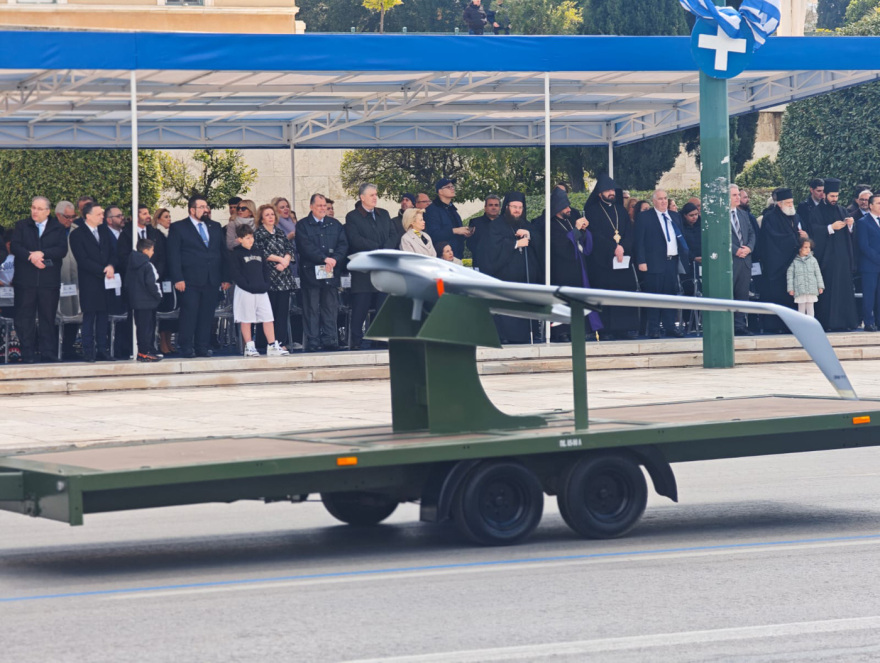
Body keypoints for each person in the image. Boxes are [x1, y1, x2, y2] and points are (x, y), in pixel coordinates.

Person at [167, 195, 231, 358]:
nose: (205, 209)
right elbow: (173, 255)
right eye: (201, 207)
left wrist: (226, 277)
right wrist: (177, 278)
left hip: (211, 278)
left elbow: (222, 252)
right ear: (192, 210)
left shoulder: (215, 226)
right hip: (189, 279)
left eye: (206, 207)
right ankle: (186, 347)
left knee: (206, 314)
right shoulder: (179, 227)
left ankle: (202, 346)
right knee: (189, 313)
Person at [10, 196, 68, 363]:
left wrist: (42, 254)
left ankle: (47, 352)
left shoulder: (57, 227)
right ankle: (27, 353)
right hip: (25, 281)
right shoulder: (22, 225)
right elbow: (15, 246)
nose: (35, 211)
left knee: (48, 318)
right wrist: (31, 257)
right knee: (24, 318)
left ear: (48, 211)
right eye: (33, 207)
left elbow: (61, 249)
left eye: (39, 209)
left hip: (48, 282)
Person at [582, 173, 640, 339]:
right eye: (607, 190)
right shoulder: (592, 211)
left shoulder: (620, 210)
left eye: (613, 190)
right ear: (599, 193)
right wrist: (613, 248)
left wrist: (623, 247)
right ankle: (606, 330)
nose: (611, 193)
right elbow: (594, 235)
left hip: (622, 261)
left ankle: (625, 328)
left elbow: (629, 233)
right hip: (603, 262)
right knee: (605, 294)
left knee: (624, 294)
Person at [345, 183, 398, 350]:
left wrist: (385, 249)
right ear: (362, 197)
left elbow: (393, 234)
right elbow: (355, 239)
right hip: (364, 270)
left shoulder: (383, 214)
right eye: (371, 195)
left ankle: (380, 339)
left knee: (382, 306)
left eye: (376, 194)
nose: (375, 197)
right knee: (361, 305)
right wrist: (377, 248)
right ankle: (356, 341)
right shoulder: (353, 216)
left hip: (382, 267)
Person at [482, 192, 538, 344]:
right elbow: (493, 249)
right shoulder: (496, 225)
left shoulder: (526, 225)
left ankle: (526, 335)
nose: (517, 210)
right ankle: (506, 336)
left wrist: (529, 235)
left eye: (520, 207)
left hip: (525, 276)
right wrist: (514, 244)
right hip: (505, 276)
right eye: (514, 207)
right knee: (507, 310)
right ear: (507, 207)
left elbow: (541, 244)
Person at [548, 188, 602, 341]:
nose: (568, 209)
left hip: (578, 268)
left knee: (579, 300)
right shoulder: (551, 225)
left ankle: (582, 329)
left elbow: (581, 242)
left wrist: (583, 231)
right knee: (564, 302)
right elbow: (561, 245)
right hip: (562, 270)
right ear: (557, 207)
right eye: (565, 207)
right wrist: (576, 230)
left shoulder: (570, 221)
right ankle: (563, 332)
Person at [633, 189, 689, 338]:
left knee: (670, 295)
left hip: (672, 262)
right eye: (660, 199)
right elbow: (639, 242)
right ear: (654, 201)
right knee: (654, 295)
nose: (664, 201)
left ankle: (670, 326)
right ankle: (654, 328)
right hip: (653, 263)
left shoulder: (674, 216)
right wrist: (641, 261)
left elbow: (681, 238)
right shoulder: (645, 217)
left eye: (665, 198)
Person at [297, 194, 348, 353]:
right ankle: (313, 341)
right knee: (311, 308)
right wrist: (324, 258)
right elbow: (305, 247)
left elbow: (343, 244)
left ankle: (330, 339)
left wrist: (334, 259)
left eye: (324, 205)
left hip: (330, 272)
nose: (322, 208)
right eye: (319, 205)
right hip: (311, 273)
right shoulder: (303, 225)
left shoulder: (335, 224)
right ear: (311, 206)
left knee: (330, 307)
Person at [229, 225, 288, 358]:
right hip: (245, 291)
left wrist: (266, 284)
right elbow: (236, 274)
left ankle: (272, 345)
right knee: (246, 318)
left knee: (267, 317)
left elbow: (265, 270)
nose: (251, 240)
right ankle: (249, 346)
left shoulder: (259, 251)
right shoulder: (236, 253)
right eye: (247, 238)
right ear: (240, 239)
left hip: (261, 290)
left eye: (252, 237)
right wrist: (248, 286)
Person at [807, 177, 859, 331]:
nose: (834, 199)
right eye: (832, 196)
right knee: (829, 291)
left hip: (842, 259)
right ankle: (829, 323)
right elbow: (814, 230)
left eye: (836, 196)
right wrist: (830, 228)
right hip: (827, 260)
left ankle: (846, 322)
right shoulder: (816, 211)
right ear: (825, 195)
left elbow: (850, 235)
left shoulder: (842, 210)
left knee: (844, 290)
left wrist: (850, 226)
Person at [756, 187, 808, 333]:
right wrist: (795, 240)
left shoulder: (795, 216)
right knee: (777, 294)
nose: (791, 205)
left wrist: (804, 236)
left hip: (794, 263)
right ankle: (775, 326)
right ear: (779, 204)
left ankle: (791, 325)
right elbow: (774, 239)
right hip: (776, 264)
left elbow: (800, 232)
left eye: (792, 202)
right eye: (788, 202)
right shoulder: (770, 218)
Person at [69, 202, 115, 362]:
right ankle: (89, 351)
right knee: (89, 316)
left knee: (104, 316)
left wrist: (110, 266)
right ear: (88, 216)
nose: (102, 216)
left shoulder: (103, 231)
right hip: (90, 281)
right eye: (99, 214)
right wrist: (102, 270)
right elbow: (82, 259)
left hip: (106, 281)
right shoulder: (77, 234)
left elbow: (111, 251)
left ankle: (103, 349)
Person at [253, 203, 296, 351]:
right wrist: (279, 259)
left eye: (272, 214)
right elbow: (261, 252)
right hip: (268, 278)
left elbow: (289, 248)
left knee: (282, 312)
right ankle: (265, 342)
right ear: (261, 219)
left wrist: (285, 261)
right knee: (267, 312)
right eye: (267, 215)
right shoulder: (258, 234)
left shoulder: (279, 232)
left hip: (283, 277)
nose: (270, 217)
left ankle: (280, 342)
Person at [127, 238, 163, 362]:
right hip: (148, 301)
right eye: (152, 250)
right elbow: (151, 283)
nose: (153, 253)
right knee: (147, 328)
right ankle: (145, 352)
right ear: (146, 250)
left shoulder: (132, 263)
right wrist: (158, 296)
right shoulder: (147, 265)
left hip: (136, 301)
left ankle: (143, 351)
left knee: (141, 327)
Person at [729, 185, 756, 335]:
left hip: (745, 260)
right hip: (731, 260)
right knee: (729, 294)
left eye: (738, 195)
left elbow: (752, 233)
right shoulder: (720, 216)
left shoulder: (743, 214)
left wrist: (749, 248)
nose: (738, 197)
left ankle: (739, 326)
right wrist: (735, 250)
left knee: (742, 294)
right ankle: (728, 326)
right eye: (734, 195)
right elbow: (720, 238)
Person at [56, 200, 80, 360]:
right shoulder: (50, 230)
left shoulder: (77, 230)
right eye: (67, 217)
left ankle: (69, 346)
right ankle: (55, 347)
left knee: (75, 313)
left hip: (75, 280)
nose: (70, 220)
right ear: (57, 215)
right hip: (57, 280)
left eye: (73, 217)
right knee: (56, 315)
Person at [424, 178, 470, 260]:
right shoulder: (432, 210)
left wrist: (465, 233)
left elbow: (456, 236)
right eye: (448, 187)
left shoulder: (453, 210)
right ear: (440, 191)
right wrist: (455, 230)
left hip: (457, 257)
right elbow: (433, 234)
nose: (452, 188)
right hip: (442, 259)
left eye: (452, 186)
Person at [152, 207, 176, 354]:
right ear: (158, 219)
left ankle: (168, 339)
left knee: (171, 309)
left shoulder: (170, 234)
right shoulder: (157, 234)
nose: (169, 219)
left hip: (170, 277)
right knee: (163, 310)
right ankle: (162, 341)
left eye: (169, 216)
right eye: (166, 216)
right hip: (162, 277)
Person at [856, 194, 880, 331]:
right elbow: (864, 246)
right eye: (878, 203)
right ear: (871, 205)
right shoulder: (863, 222)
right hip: (870, 265)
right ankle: (869, 322)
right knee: (869, 295)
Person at [787, 238, 824, 318]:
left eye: (809, 247)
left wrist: (820, 286)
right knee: (801, 309)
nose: (808, 249)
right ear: (800, 248)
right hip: (800, 289)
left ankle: (811, 326)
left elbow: (818, 273)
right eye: (805, 247)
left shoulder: (813, 260)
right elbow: (790, 275)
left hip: (811, 288)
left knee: (811, 308)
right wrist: (790, 288)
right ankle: (802, 326)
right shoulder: (794, 261)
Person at [468, 195, 501, 271]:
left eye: (496, 205)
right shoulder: (475, 222)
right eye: (490, 205)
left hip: (501, 266)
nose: (493, 207)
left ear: (499, 208)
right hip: (480, 264)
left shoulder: (506, 223)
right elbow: (470, 244)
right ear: (485, 207)